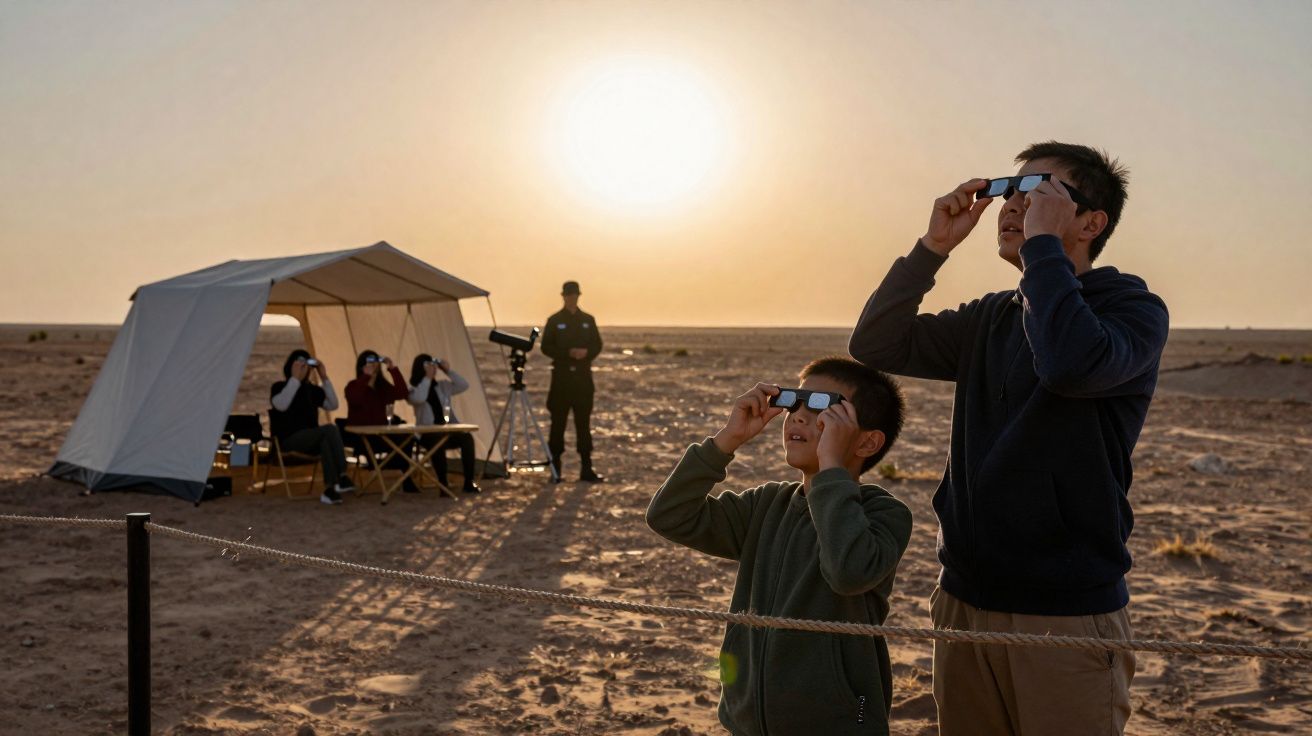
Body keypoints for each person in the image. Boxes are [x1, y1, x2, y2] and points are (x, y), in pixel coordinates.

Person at [848, 141, 1169, 735]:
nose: (1013, 203)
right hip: (963, 602)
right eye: (1009, 189)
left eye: (1039, 192)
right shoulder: (993, 315)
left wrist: (1042, 250)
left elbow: (1070, 363)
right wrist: (932, 249)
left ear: (1091, 223)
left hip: (1067, 616)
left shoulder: (1132, 310)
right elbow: (875, 345)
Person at [647, 357, 912, 736]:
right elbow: (669, 515)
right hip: (748, 723)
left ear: (867, 441)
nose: (799, 416)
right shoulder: (766, 505)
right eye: (795, 402)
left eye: (823, 406)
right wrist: (728, 439)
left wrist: (832, 468)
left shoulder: (884, 513)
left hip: (841, 724)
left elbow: (846, 570)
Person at [268, 349, 356, 505]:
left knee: (325, 440)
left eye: (306, 364)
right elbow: (281, 405)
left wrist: (324, 377)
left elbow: (333, 405)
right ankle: (342, 476)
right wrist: (295, 379)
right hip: (288, 442)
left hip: (312, 441)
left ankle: (330, 490)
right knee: (329, 429)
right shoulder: (279, 387)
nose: (303, 368)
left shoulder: (312, 390)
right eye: (299, 363)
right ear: (291, 366)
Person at [540, 280, 604, 482]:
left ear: (578, 296)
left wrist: (586, 353)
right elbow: (546, 347)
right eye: (568, 295)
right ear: (563, 296)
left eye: (574, 295)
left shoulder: (588, 320)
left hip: (583, 380)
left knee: (583, 425)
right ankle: (555, 469)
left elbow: (597, 344)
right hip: (561, 380)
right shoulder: (554, 320)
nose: (572, 298)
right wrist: (567, 353)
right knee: (557, 425)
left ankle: (587, 467)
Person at [407, 353, 481, 494]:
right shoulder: (413, 390)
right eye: (429, 366)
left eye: (434, 366)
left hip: (446, 430)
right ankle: (443, 484)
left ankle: (469, 482)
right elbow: (420, 398)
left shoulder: (442, 386)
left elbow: (463, 385)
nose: (433, 369)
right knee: (437, 440)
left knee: (466, 438)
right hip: (427, 434)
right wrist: (427, 378)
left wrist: (447, 370)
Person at [343, 349, 412, 488]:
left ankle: (405, 477)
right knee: (399, 448)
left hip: (383, 434)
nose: (373, 365)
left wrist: (392, 369)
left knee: (407, 437)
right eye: (369, 362)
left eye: (375, 362)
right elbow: (355, 398)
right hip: (364, 438)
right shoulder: (353, 386)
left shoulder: (384, 388)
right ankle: (387, 464)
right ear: (361, 366)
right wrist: (365, 377)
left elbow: (403, 393)